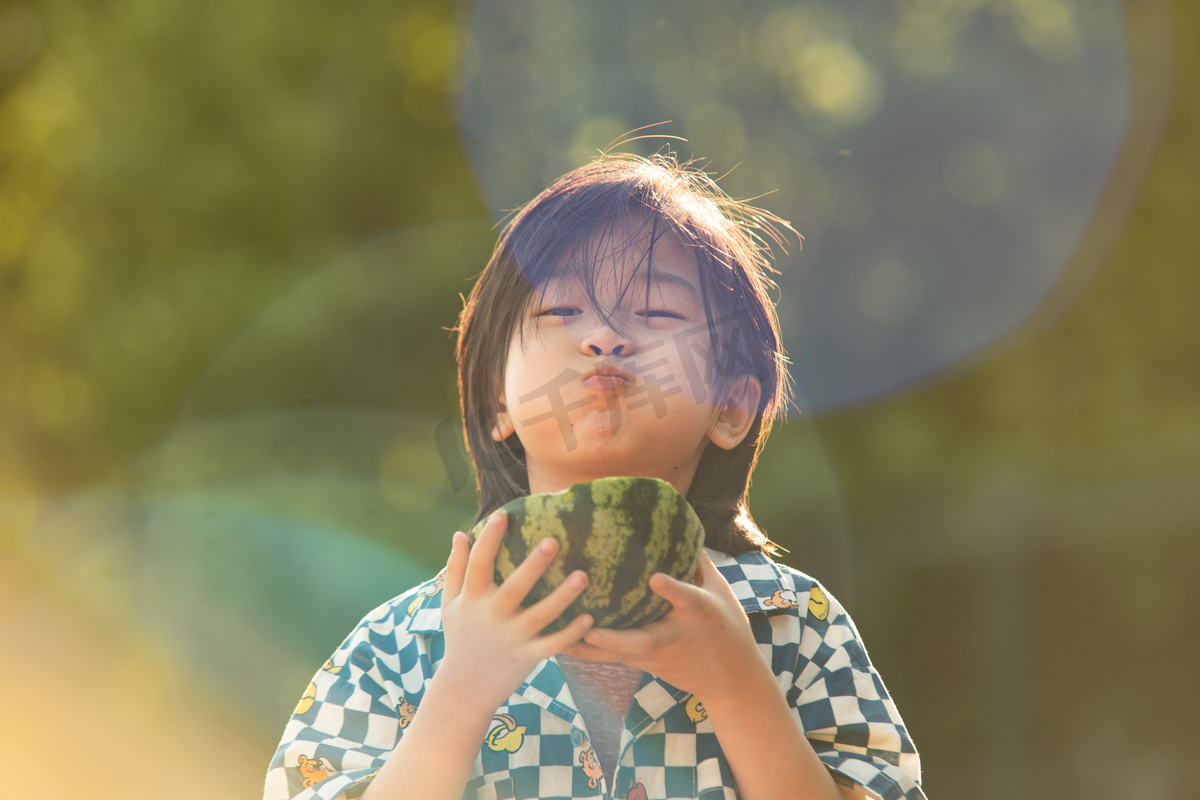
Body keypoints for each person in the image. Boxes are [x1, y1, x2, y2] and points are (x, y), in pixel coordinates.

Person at [263, 153, 926, 800]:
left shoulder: (794, 626)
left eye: (658, 315)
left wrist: (737, 684)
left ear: (731, 406)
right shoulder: (400, 645)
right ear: (497, 400)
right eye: (560, 314)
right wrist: (460, 692)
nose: (604, 338)